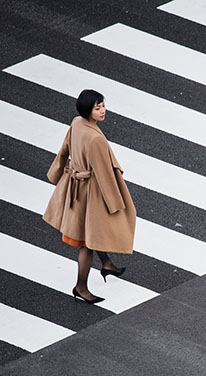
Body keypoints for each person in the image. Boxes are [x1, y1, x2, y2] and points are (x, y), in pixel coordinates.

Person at [43, 89, 136, 304]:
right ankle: (81, 286)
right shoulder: (95, 139)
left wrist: (55, 173)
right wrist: (115, 204)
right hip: (90, 193)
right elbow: (104, 175)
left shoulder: (77, 123)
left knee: (94, 232)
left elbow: (63, 150)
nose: (103, 110)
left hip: (75, 186)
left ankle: (107, 264)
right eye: (97, 108)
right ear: (88, 110)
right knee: (88, 239)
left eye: (103, 105)